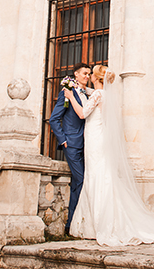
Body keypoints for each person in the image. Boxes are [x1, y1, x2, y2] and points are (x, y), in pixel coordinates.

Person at [65, 65, 154, 246]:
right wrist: (78, 89)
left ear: (96, 78)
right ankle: (95, 224)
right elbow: (88, 92)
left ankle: (98, 225)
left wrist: (71, 97)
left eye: (91, 74)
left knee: (96, 176)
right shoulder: (102, 94)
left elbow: (82, 114)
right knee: (100, 175)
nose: (89, 77)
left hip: (95, 139)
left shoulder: (97, 95)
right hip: (98, 137)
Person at [48, 62, 91, 235]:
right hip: (72, 143)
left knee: (78, 182)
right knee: (81, 179)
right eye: (84, 73)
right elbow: (53, 119)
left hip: (87, 143)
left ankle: (75, 222)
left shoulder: (87, 94)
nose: (87, 76)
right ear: (76, 74)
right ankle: (71, 222)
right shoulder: (67, 92)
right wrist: (63, 139)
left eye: (88, 74)